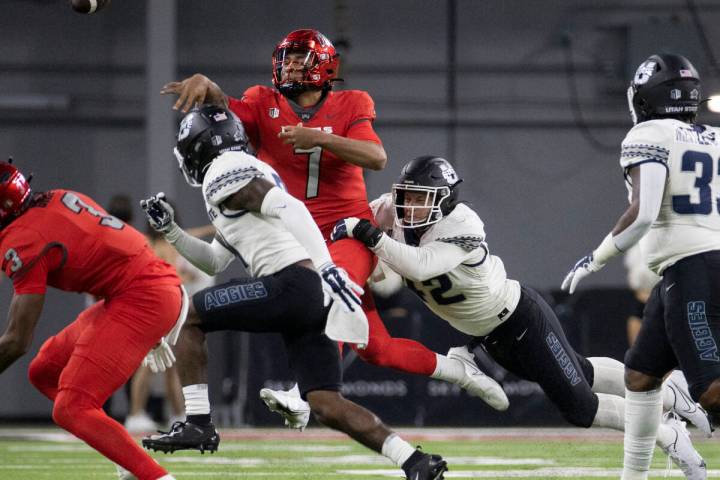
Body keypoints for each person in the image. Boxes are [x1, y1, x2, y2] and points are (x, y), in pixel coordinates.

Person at [159, 29, 508, 425]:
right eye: (285, 58)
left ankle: (301, 395)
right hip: (295, 237)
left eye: (299, 59)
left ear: (323, 67)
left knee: (329, 290)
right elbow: (227, 113)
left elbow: (376, 156)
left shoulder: (351, 103)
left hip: (348, 229)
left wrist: (318, 138)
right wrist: (209, 87)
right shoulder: (263, 101)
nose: (289, 66)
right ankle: (460, 370)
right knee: (376, 348)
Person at [332, 155, 711, 479]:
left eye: (420, 199)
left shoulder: (462, 224)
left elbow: (421, 264)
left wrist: (371, 237)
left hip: (519, 319)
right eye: (406, 198)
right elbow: (366, 230)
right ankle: (670, 394)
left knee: (581, 407)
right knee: (584, 372)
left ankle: (666, 434)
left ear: (444, 201)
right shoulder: (390, 213)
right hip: (489, 334)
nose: (409, 208)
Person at [139, 105, 448, 480]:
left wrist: (327, 264)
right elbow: (215, 261)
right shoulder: (242, 172)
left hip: (291, 284)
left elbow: (290, 207)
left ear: (200, 148)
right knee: (325, 403)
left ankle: (198, 421)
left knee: (189, 313)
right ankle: (414, 461)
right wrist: (172, 231)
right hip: (308, 294)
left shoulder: (222, 171)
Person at [561, 53, 719, 480]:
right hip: (684, 269)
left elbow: (644, 212)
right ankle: (634, 477)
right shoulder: (714, 137)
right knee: (640, 375)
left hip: (692, 268)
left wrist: (596, 258)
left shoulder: (646, 133)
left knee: (711, 391)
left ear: (646, 98)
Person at [0, 159, 186, 480]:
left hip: (143, 295)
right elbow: (111, 248)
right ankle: (123, 454)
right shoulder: (56, 196)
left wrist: (153, 318)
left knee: (71, 406)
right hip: (141, 288)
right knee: (44, 371)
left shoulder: (23, 239)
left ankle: (157, 477)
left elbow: (17, 340)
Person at [126, 206, 215, 433]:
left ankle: (176, 414)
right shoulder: (156, 243)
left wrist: (214, 227)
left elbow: (195, 233)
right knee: (150, 364)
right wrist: (187, 275)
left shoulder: (160, 240)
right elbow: (168, 274)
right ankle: (136, 414)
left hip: (160, 307)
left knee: (170, 365)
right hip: (155, 308)